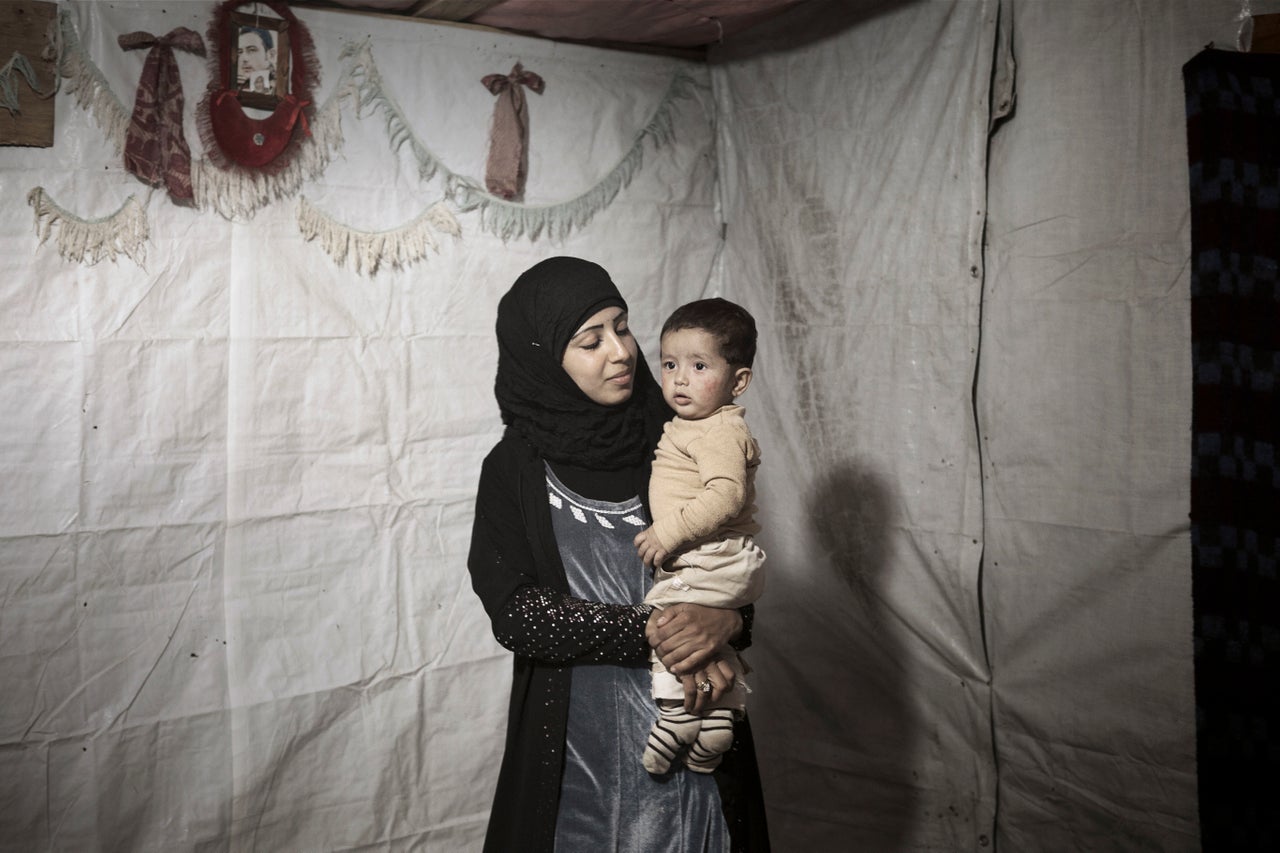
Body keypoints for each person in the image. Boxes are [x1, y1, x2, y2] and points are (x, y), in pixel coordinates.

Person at [467, 257, 770, 852]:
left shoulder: (678, 437)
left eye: (623, 327)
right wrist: (658, 629)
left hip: (691, 720)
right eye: (590, 340)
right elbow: (518, 615)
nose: (622, 351)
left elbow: (731, 562)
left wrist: (731, 619)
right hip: (581, 746)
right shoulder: (514, 470)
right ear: (544, 357)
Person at [633, 298, 766, 775]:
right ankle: (717, 725)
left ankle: (674, 719)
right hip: (719, 561)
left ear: (738, 381)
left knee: (666, 622)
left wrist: (667, 532)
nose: (680, 378)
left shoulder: (718, 430)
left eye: (699, 365)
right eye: (669, 364)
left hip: (712, 555)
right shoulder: (698, 424)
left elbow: (727, 496)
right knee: (706, 639)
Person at [237, 26, 276, 92]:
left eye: (252, 50)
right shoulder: (237, 88)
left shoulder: (279, 89)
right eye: (240, 52)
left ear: (271, 55)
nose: (244, 59)